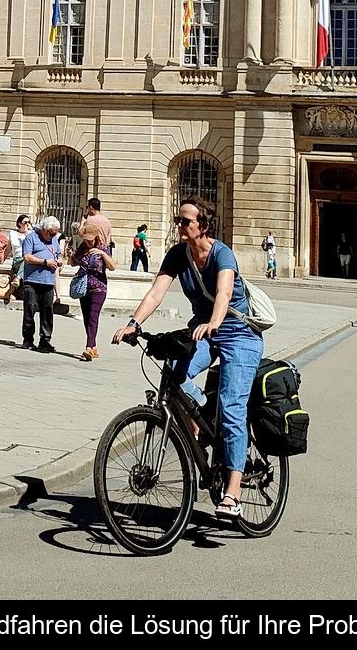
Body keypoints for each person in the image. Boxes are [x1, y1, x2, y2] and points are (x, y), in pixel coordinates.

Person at [112, 197, 264, 520]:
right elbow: (156, 292)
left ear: (203, 226)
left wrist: (214, 322)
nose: (178, 225)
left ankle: (233, 494)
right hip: (204, 331)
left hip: (238, 333)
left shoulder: (223, 254)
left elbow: (223, 293)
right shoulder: (178, 254)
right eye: (178, 220)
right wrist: (133, 324)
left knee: (232, 405)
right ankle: (199, 421)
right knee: (175, 373)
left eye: (185, 221)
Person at [71, 223, 116, 361]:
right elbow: (73, 263)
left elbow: (113, 266)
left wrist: (102, 254)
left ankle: (89, 347)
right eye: (86, 239)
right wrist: (71, 256)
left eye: (90, 239)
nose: (88, 242)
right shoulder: (83, 248)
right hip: (84, 287)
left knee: (93, 316)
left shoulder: (103, 248)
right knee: (86, 317)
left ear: (96, 237)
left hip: (99, 287)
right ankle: (94, 346)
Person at [21, 216, 62, 352]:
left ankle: (45, 340)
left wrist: (59, 261)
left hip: (48, 281)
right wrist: (45, 262)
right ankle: (28, 339)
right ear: (43, 229)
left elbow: (59, 256)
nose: (52, 235)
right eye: (51, 233)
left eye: (55, 233)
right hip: (32, 280)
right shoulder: (31, 238)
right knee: (30, 309)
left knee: (47, 312)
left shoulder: (55, 241)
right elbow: (27, 257)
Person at [7, 214, 31, 296]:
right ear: (20, 223)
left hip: (28, 259)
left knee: (26, 259)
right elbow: (8, 248)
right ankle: (17, 281)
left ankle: (16, 280)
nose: (27, 224)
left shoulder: (31, 234)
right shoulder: (12, 233)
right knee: (24, 260)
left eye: (28, 222)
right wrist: (2, 259)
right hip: (17, 259)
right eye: (25, 222)